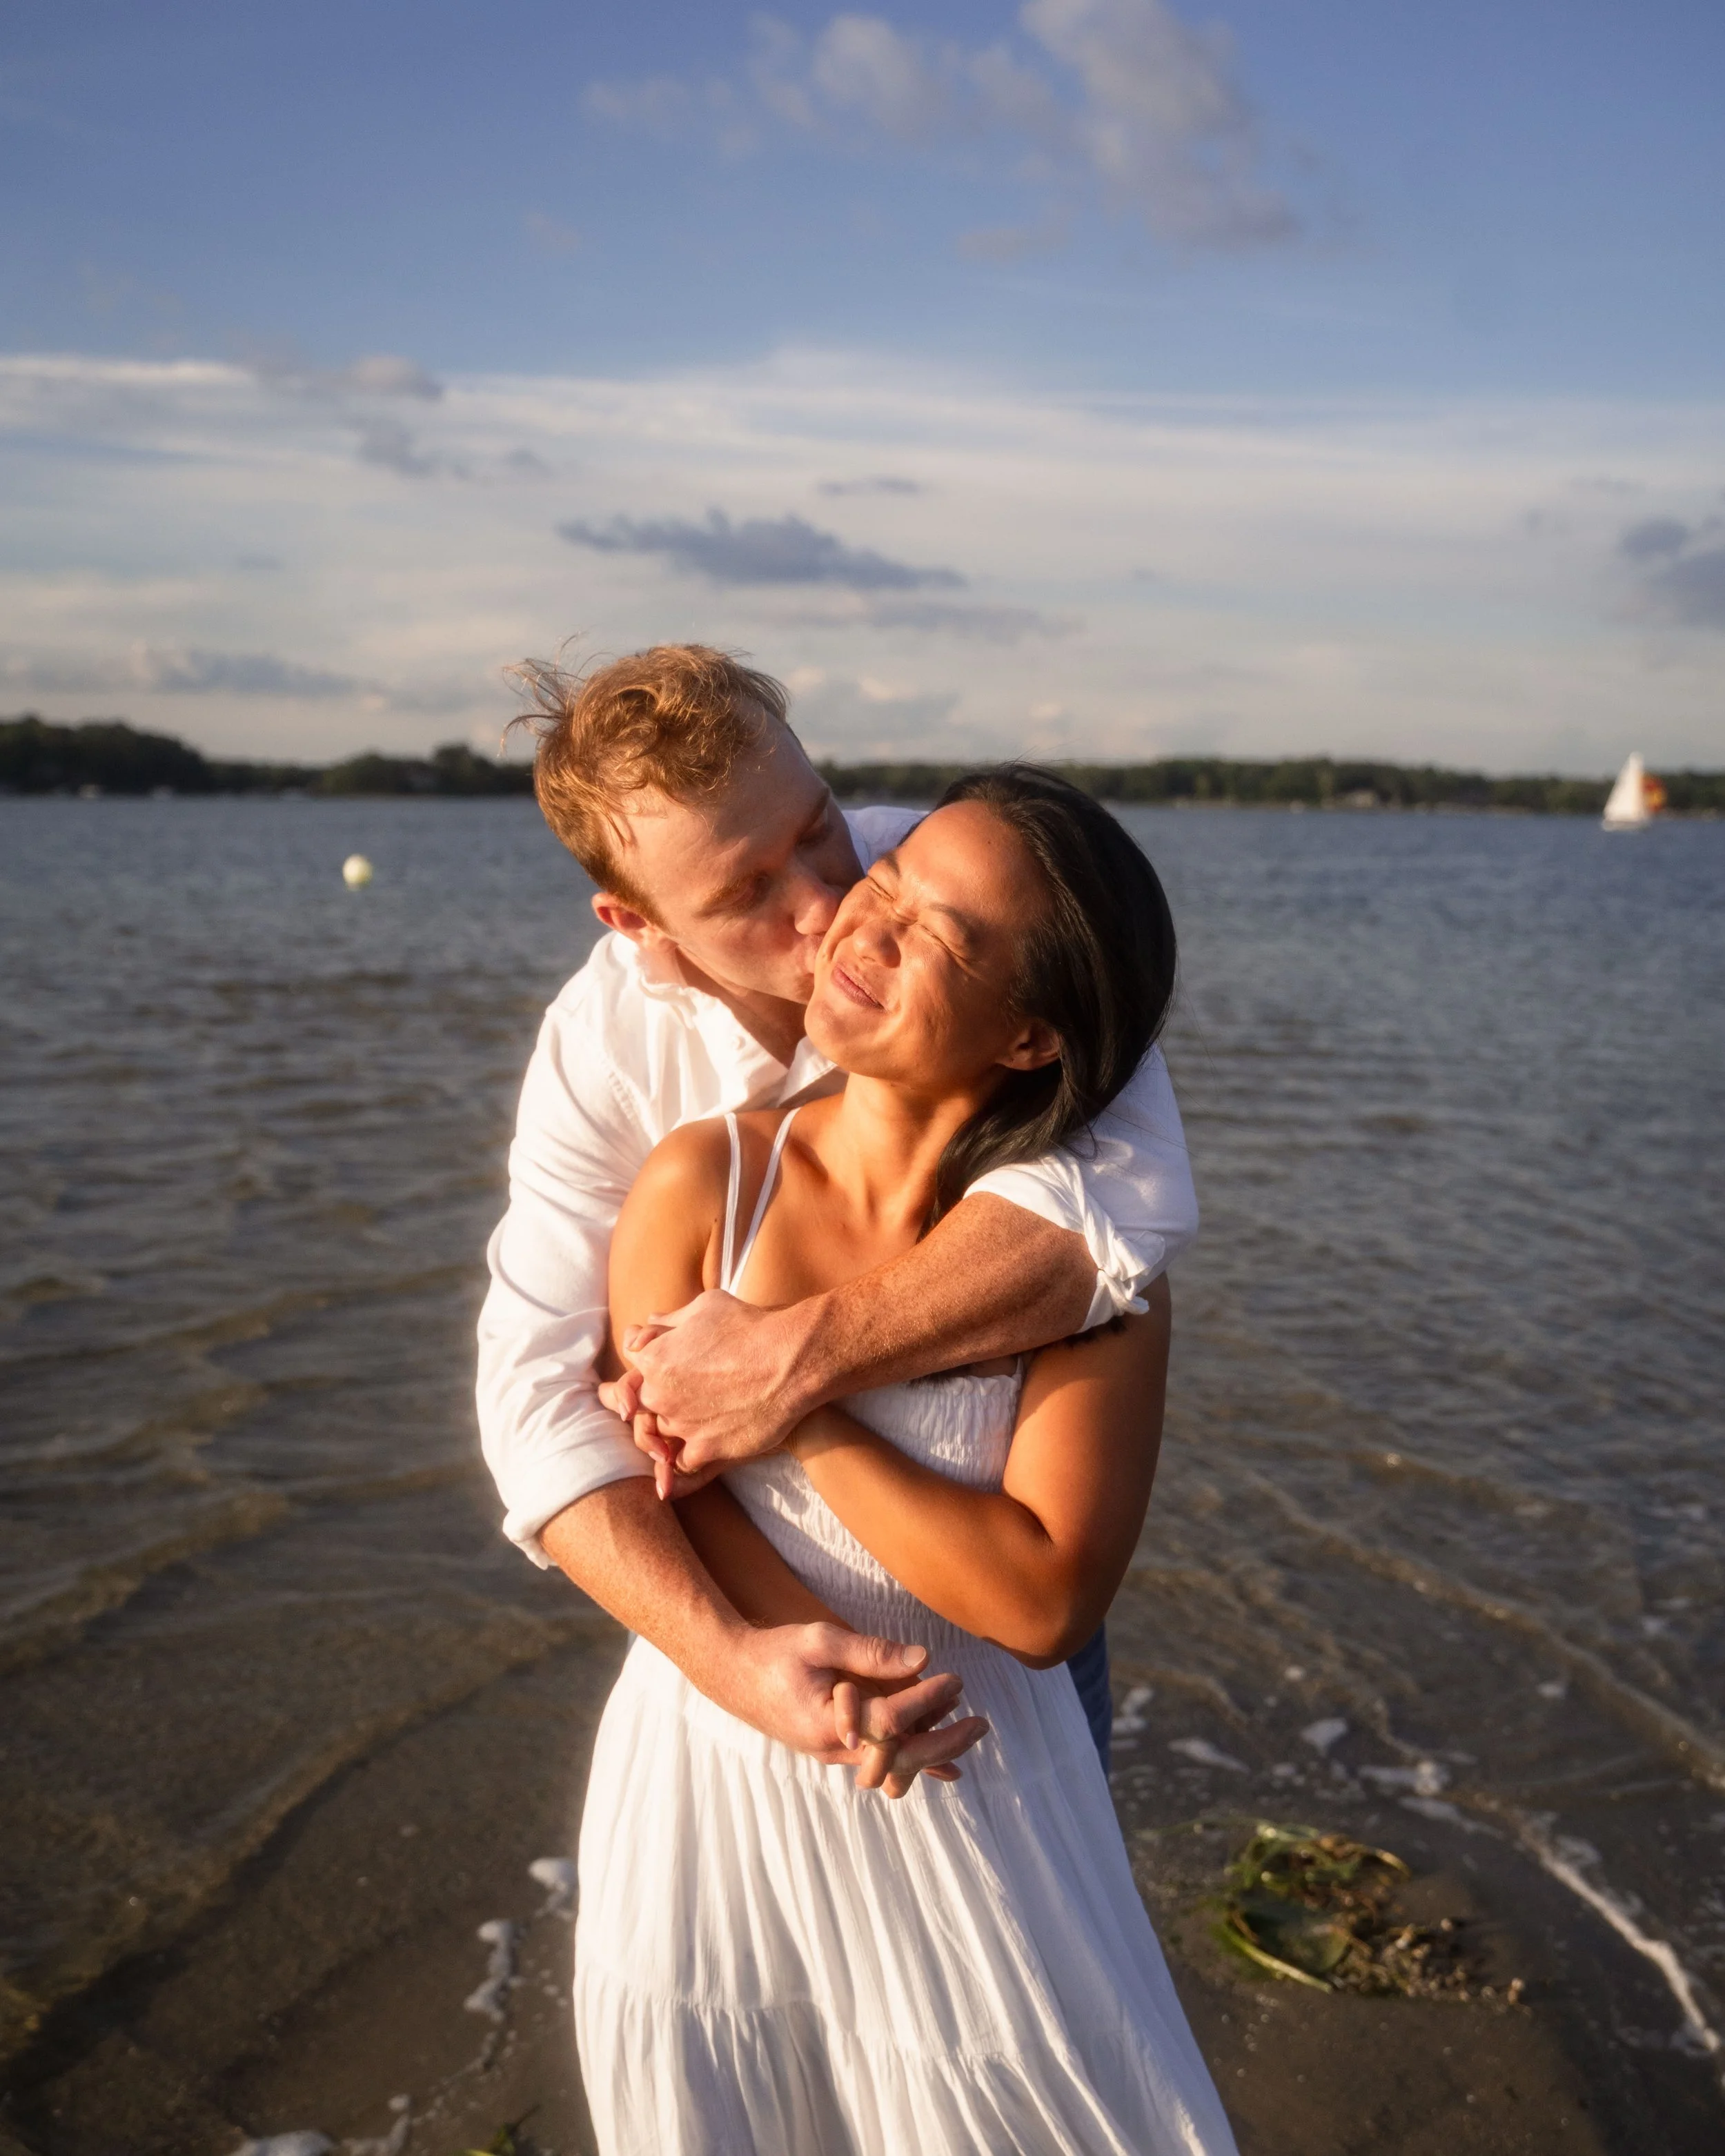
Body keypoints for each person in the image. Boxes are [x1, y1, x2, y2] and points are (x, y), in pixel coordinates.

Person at [575, 766, 1236, 2153]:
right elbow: (658, 1481)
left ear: (1026, 1037)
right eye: (887, 882)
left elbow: (1042, 1596)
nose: (867, 927)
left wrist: (795, 1399)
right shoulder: (704, 1180)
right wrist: (798, 1663)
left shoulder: (1083, 1269)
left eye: (946, 936)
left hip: (964, 1761)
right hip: (721, 1753)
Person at [476, 644, 1199, 1773]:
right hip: (746, 1664)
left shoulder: (973, 882)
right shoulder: (602, 1059)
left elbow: (1123, 1212)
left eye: (817, 829)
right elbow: (537, 1402)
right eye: (747, 892)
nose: (828, 903)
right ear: (635, 922)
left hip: (1003, 1648)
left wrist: (792, 1371)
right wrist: (737, 1658)